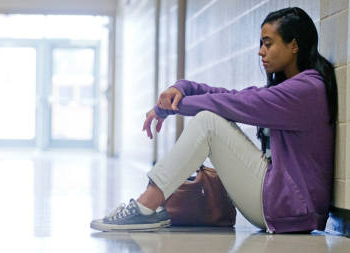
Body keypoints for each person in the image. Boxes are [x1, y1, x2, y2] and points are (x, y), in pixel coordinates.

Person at [91, 7, 337, 234]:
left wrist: (168, 108)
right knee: (210, 119)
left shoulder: (306, 91)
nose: (260, 51)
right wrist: (182, 87)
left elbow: (231, 104)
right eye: (261, 44)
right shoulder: (293, 87)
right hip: (283, 200)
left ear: (294, 45)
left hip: (291, 207)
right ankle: (148, 207)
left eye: (268, 44)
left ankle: (146, 208)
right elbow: (231, 96)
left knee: (208, 122)